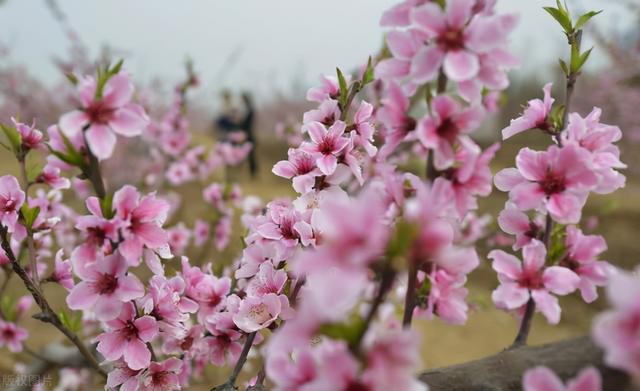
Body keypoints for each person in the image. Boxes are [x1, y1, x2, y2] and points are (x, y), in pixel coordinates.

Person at [240, 92, 258, 177]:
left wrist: (239, 122)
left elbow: (246, 123)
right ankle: (252, 172)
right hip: (247, 134)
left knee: (250, 155)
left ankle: (253, 172)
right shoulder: (248, 109)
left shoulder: (249, 110)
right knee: (250, 155)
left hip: (247, 134)